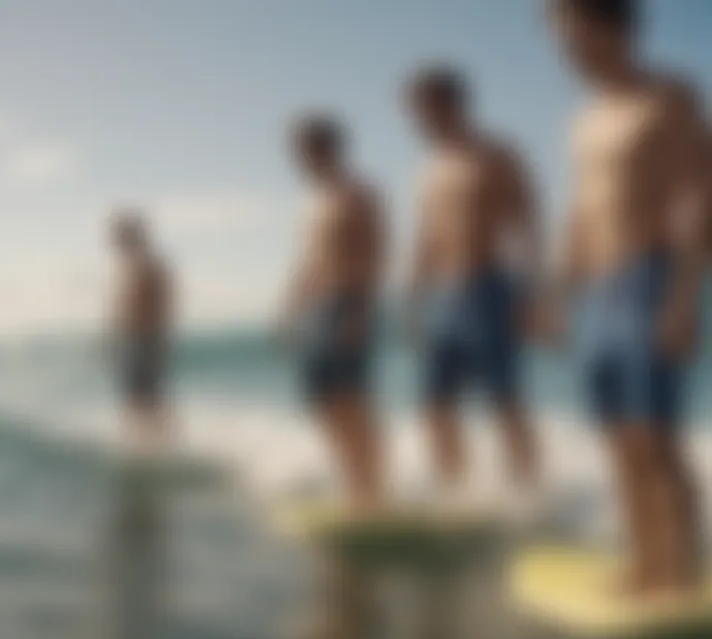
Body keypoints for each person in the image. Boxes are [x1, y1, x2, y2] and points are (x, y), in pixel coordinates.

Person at [548, 0, 709, 593]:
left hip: (653, 275)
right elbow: (581, 213)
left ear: (613, 26)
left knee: (655, 433)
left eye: (572, 32)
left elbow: (700, 196)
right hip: (598, 287)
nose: (564, 48)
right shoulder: (582, 119)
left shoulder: (670, 95)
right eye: (558, 36)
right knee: (617, 436)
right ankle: (643, 560)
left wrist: (684, 296)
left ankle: (681, 571)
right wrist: (556, 293)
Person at [404, 65, 542, 506]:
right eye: (414, 114)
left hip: (488, 288)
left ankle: (529, 495)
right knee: (433, 405)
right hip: (441, 298)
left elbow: (528, 225)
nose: (418, 122)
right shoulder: (429, 169)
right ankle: (455, 493)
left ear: (451, 105)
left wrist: (533, 294)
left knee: (504, 399)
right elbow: (426, 240)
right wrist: (411, 301)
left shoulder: (496, 154)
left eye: (423, 111)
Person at [281, 114, 386, 510]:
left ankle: (371, 490)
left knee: (351, 397)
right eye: (296, 153)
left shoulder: (357, 193)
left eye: (304, 151)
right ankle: (352, 482)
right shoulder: (314, 202)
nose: (298, 160)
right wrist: (289, 307)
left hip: (347, 300)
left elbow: (376, 251)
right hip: (315, 308)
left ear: (327, 149)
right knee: (319, 396)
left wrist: (362, 309)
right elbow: (308, 260)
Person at [108, 210, 173, 446]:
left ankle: (156, 442)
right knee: (140, 397)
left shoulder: (146, 264)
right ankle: (144, 442)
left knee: (144, 397)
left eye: (120, 235)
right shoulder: (134, 264)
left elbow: (161, 303)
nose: (115, 241)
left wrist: (157, 337)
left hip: (143, 340)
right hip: (134, 340)